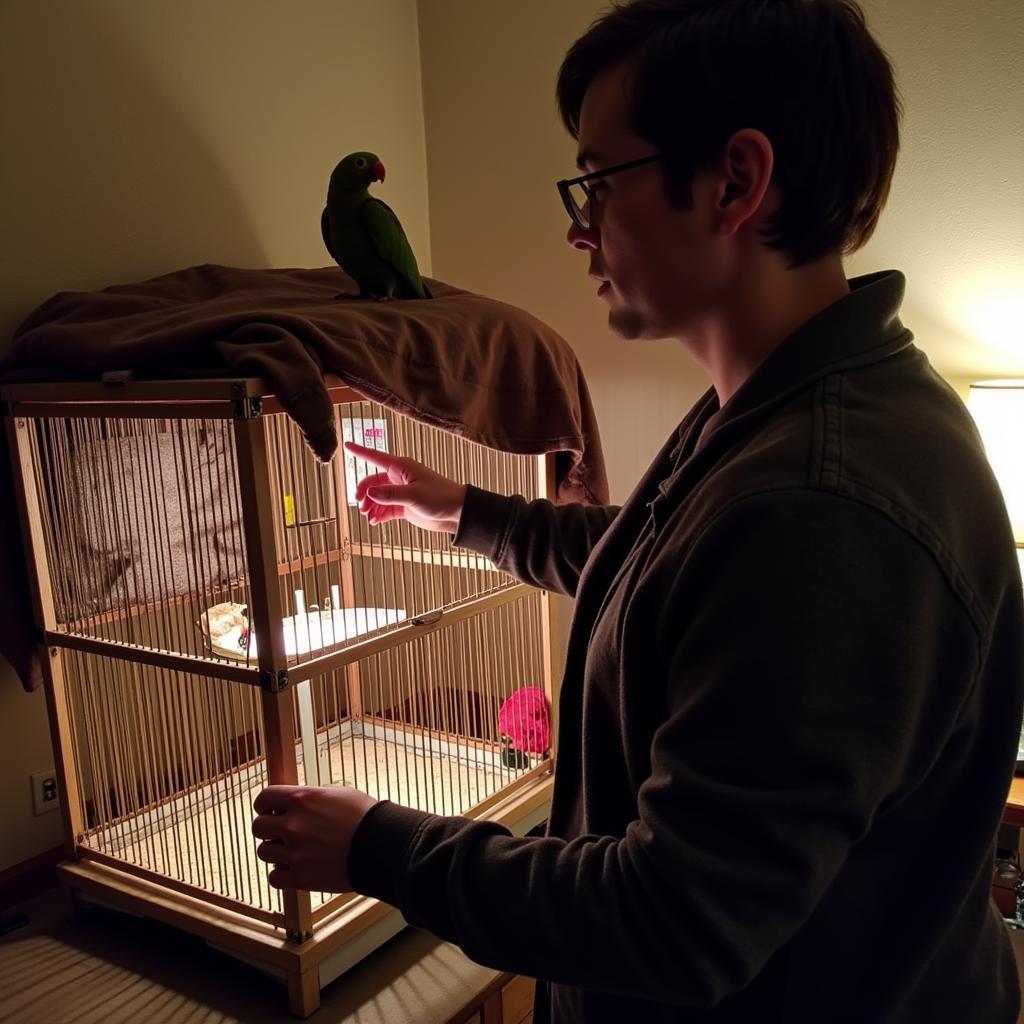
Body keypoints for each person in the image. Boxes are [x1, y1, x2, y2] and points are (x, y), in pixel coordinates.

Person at [252, 1, 1024, 1020]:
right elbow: (670, 567)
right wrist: (467, 514)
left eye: (596, 182)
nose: (577, 226)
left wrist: (378, 846)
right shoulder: (792, 405)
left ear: (735, 183)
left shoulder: (824, 504)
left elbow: (672, 917)